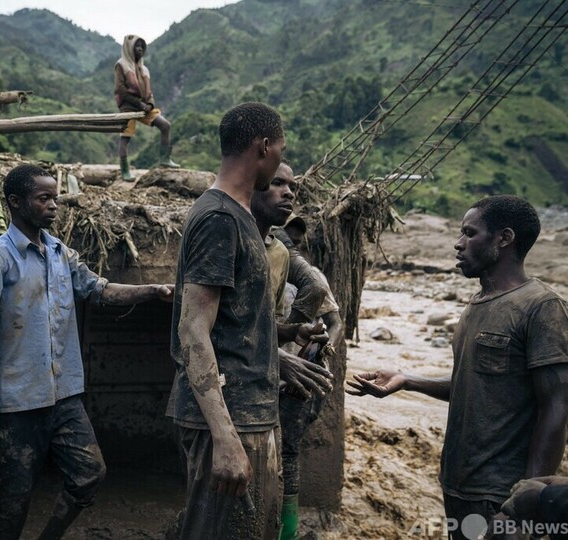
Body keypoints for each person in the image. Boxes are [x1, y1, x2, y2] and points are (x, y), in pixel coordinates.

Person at [0, 163, 173, 540]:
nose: (54, 205)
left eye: (55, 197)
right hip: (15, 402)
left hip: (64, 397)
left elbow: (100, 289)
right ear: (15, 202)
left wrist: (151, 291)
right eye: (44, 198)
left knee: (89, 472)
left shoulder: (61, 253)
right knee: (13, 499)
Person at [347, 195, 568, 540]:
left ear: (504, 239)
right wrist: (407, 381)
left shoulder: (541, 307)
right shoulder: (476, 305)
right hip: (459, 488)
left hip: (502, 497)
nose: (458, 243)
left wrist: (525, 503)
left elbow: (555, 406)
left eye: (469, 233)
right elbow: (474, 386)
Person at [167, 102, 286, 539]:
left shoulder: (240, 216)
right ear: (264, 146)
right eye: (281, 148)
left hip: (250, 414)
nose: (280, 158)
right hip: (230, 419)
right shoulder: (219, 218)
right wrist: (225, 437)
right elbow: (193, 329)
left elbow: (239, 325)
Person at [253, 166, 341, 540]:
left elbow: (333, 319)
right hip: (261, 369)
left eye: (294, 237)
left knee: (286, 455)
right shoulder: (262, 257)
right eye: (278, 184)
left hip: (293, 377)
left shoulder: (300, 271)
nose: (289, 240)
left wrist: (317, 346)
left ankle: (285, 531)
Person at [114, 34, 179, 180]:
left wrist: (149, 104)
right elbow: (120, 90)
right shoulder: (121, 65)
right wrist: (138, 103)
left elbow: (149, 92)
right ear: (129, 48)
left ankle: (165, 159)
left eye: (142, 47)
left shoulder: (145, 69)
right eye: (136, 46)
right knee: (126, 137)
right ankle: (124, 170)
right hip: (128, 107)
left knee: (165, 125)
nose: (139, 49)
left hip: (144, 107)